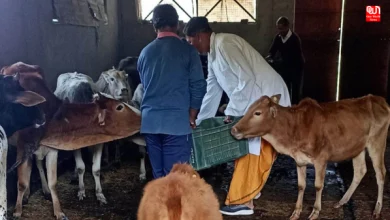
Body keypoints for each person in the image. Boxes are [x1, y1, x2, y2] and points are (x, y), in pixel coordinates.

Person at [183, 17, 291, 216]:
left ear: (199, 36)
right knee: (246, 147)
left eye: (190, 42)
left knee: (251, 148)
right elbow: (212, 90)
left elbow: (247, 80)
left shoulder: (226, 44)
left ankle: (244, 201)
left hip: (268, 102)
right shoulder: (213, 55)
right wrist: (200, 122)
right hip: (252, 103)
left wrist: (232, 114)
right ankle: (250, 189)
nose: (191, 47)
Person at [137, 4, 206, 179]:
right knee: (175, 177)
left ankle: (161, 206)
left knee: (158, 175)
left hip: (151, 123)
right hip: (176, 123)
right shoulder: (188, 51)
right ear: (178, 25)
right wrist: (192, 114)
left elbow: (146, 86)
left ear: (154, 26)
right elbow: (198, 86)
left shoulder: (145, 53)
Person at [266, 16, 305, 105]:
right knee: (285, 88)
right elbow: (272, 51)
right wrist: (269, 57)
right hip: (285, 67)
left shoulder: (294, 39)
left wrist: (278, 62)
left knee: (295, 90)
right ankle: (287, 107)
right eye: (278, 28)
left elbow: (295, 57)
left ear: (287, 27)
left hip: (296, 67)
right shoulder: (278, 37)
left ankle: (295, 108)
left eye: (282, 29)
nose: (280, 31)